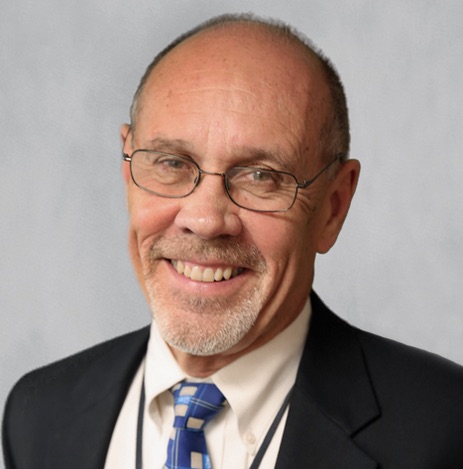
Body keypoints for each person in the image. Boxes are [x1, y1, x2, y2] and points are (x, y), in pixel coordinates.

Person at [3, 13, 463, 469]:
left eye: (261, 176)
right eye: (171, 163)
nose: (205, 220)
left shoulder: (444, 428)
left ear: (333, 207)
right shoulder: (39, 414)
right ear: (128, 171)